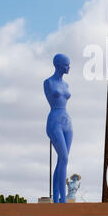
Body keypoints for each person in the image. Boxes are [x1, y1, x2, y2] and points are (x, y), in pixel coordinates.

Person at [44, 54, 73, 203]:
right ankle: (62, 200)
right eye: (66, 64)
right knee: (64, 158)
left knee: (62, 160)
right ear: (58, 65)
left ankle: (56, 198)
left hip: (67, 121)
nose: (69, 67)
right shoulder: (48, 83)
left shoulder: (66, 85)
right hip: (54, 121)